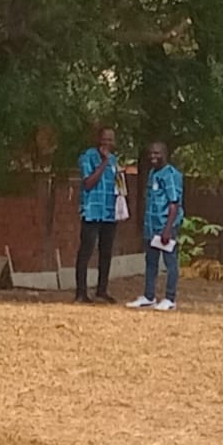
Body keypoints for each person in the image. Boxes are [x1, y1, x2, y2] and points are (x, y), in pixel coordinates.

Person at [126, 142, 184, 311]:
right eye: (151, 153)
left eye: (157, 153)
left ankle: (170, 298)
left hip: (165, 226)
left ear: (165, 154)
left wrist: (168, 229)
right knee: (151, 262)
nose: (153, 156)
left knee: (170, 262)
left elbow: (174, 203)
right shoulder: (153, 173)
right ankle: (149, 296)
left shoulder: (170, 175)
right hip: (151, 226)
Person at [75, 127, 123, 303]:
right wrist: (103, 163)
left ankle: (102, 290)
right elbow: (88, 183)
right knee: (86, 251)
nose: (107, 143)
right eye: (105, 139)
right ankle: (81, 292)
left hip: (109, 212)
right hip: (92, 211)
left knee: (106, 252)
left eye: (111, 140)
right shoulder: (87, 157)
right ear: (98, 139)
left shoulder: (114, 160)